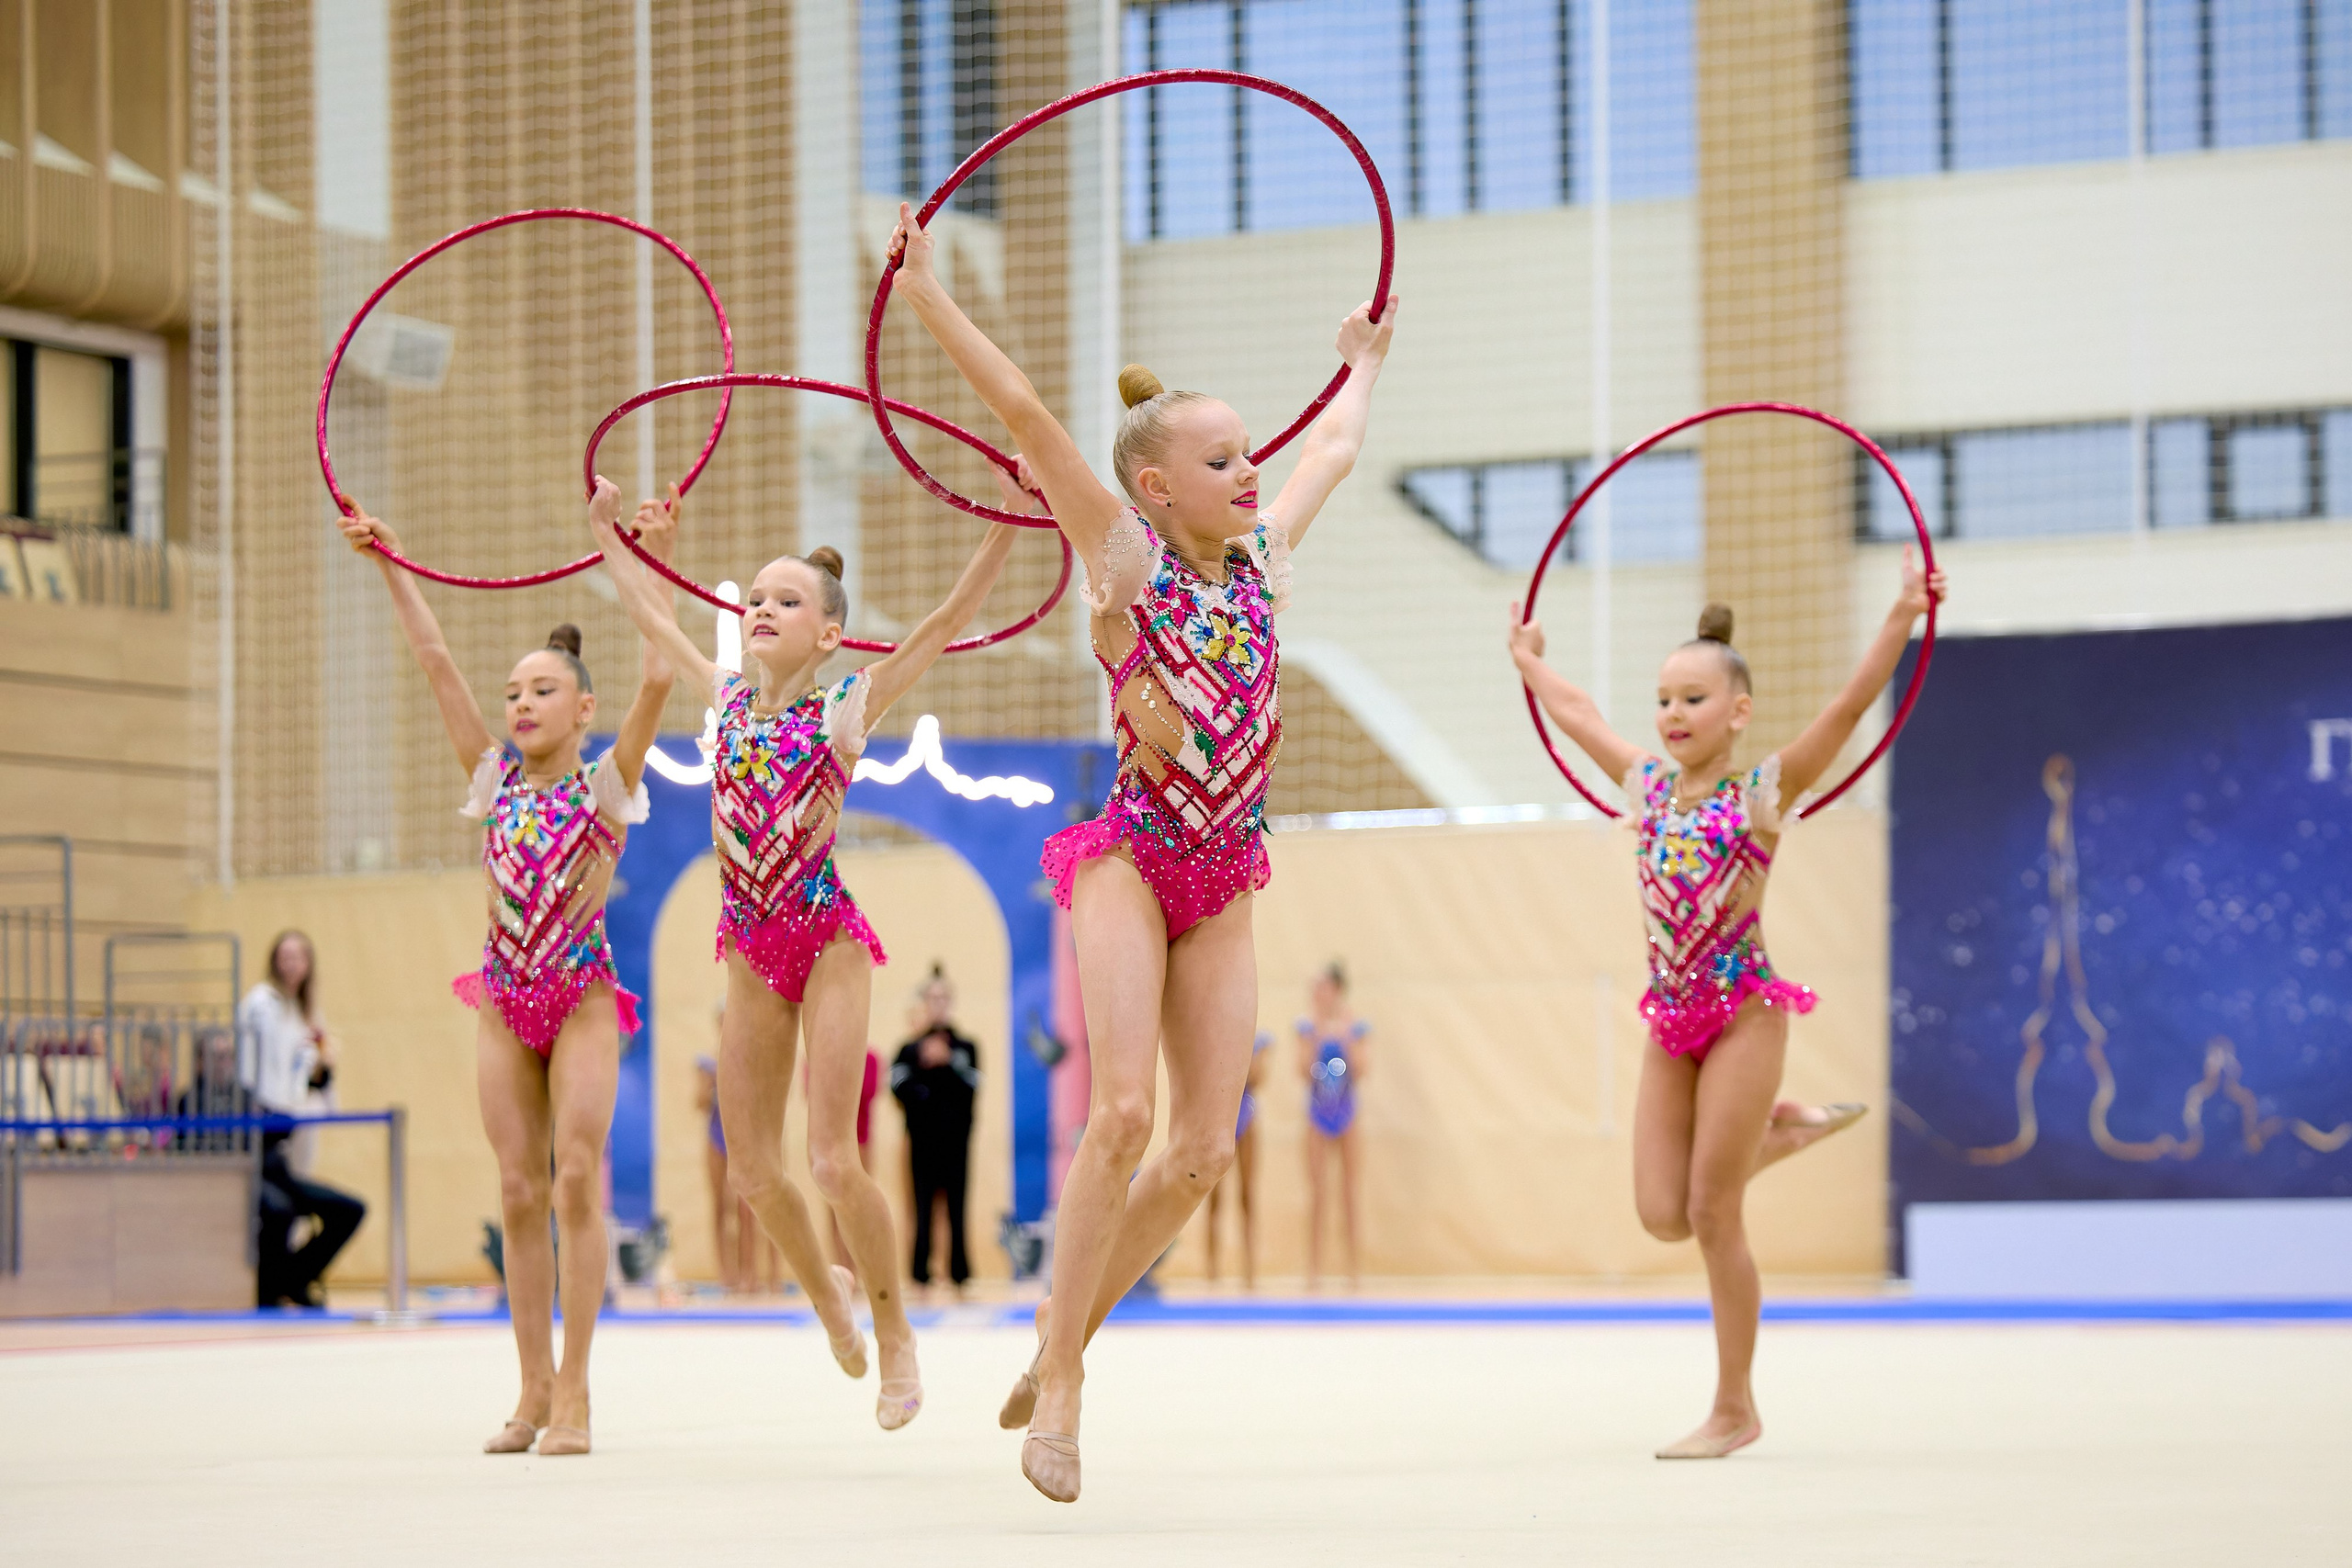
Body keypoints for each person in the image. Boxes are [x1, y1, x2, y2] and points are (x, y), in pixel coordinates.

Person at [887, 198, 1400, 1500]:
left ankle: (1064, 1332)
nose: (1251, 470)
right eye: (1224, 459)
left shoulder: (1266, 564)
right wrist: (927, 288)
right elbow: (1020, 410)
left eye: (1247, 455)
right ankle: (1062, 1378)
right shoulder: (1122, 553)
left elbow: (1334, 448)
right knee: (1118, 1112)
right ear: (1158, 486)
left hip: (1224, 879)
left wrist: (1365, 363)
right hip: (1130, 855)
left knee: (1201, 1150)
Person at [589, 469, 1020, 1433]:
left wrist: (1004, 524)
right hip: (748, 947)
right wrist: (610, 531)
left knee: (831, 1157)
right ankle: (827, 1299)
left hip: (824, 939)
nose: (763, 610)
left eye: (787, 600)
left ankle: (894, 1330)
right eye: (756, 599)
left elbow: (943, 624)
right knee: (751, 1170)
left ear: (828, 633)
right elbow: (653, 626)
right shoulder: (725, 702)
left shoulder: (840, 711)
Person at [1510, 556, 1945, 1460]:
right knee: (1661, 1214)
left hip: (1745, 1012)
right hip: (1672, 1022)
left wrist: (1902, 613)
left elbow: (1846, 711)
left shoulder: (1761, 797)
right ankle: (1776, 1135)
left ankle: (1734, 1407)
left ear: (1737, 712)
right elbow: (1582, 715)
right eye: (1664, 699)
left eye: (1693, 700)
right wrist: (1529, 663)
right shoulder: (1647, 789)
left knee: (1712, 1214)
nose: (1671, 715)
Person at [342, 490, 678, 1458]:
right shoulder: (490, 779)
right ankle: (529, 1388)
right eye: (513, 693)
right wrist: (394, 566)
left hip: (577, 994)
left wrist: (638, 553)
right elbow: (435, 660)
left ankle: (575, 1386)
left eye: (541, 691)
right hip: (501, 997)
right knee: (518, 1190)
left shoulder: (607, 783)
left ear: (582, 709)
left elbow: (661, 665)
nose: (521, 704)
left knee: (575, 1177)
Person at [235, 931, 366, 1307]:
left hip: (295, 1123)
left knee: (323, 1204)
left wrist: (320, 1070)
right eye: (285, 956)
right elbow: (259, 1072)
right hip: (266, 1131)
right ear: (274, 960)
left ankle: (292, 1278)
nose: (291, 964)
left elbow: (305, 1076)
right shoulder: (261, 1005)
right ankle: (275, 1284)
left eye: (299, 957)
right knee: (281, 1207)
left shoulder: (305, 1011)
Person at [890, 964, 979, 1295]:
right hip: (922, 1141)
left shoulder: (965, 1047)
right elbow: (898, 1086)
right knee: (922, 1207)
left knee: (957, 1207)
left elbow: (973, 1084)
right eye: (932, 998)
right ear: (924, 1003)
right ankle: (920, 1275)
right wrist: (924, 1075)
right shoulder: (909, 1050)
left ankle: (959, 1274)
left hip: (956, 1142)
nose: (938, 1004)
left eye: (944, 998)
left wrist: (949, 1062)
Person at [1297, 965, 1370, 1291]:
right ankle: (1314, 1270)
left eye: (1324, 988)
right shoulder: (1305, 1026)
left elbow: (1361, 1069)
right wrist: (1315, 1034)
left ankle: (1353, 1270)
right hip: (1317, 1113)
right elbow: (1302, 1070)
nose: (1319, 994)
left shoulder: (1354, 1026)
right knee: (1318, 1194)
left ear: (1338, 991)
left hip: (1347, 1112)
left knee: (1349, 1193)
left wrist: (1346, 1036)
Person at [1203, 1030, 1271, 1290]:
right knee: (1214, 1196)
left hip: (1246, 1115)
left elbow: (1256, 1076)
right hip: (1220, 1116)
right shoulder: (1215, 1034)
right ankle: (1212, 1270)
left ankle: (1250, 1270)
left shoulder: (1258, 1039)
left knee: (1247, 1195)